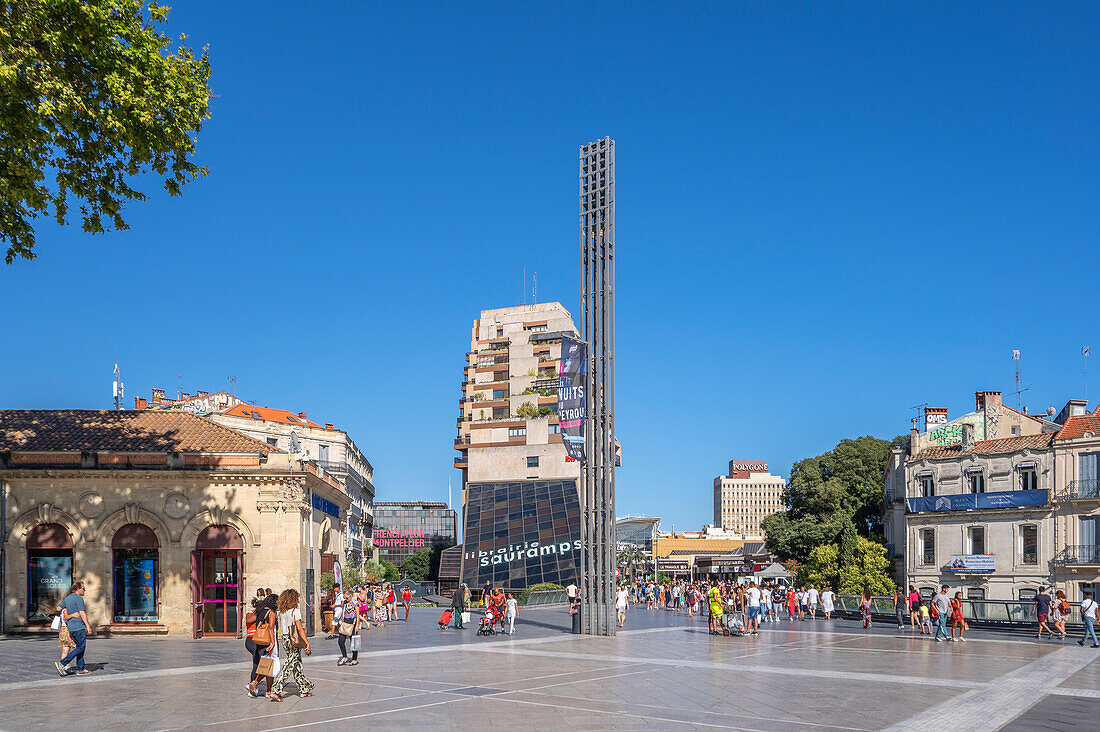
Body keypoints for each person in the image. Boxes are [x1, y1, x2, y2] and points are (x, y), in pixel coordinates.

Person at [270, 589, 313, 702]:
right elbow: (299, 628)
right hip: (293, 639)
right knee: (289, 665)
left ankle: (304, 690)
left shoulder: (282, 612)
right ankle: (276, 689)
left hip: (285, 639)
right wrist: (307, 643)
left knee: (297, 664)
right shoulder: (295, 611)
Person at [246, 593, 278, 698]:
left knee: (266, 666)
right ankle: (254, 683)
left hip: (259, 641)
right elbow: (270, 628)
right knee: (268, 666)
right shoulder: (271, 612)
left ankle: (268, 691)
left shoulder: (261, 611)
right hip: (267, 641)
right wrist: (272, 642)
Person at [55, 581, 90, 677]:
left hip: (71, 627)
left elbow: (58, 608)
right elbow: (82, 613)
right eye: (83, 589)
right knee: (80, 647)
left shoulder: (67, 598)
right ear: (78, 589)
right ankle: (63, 663)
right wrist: (88, 625)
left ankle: (80, 668)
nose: (84, 591)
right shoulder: (78, 598)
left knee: (80, 647)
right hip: (79, 626)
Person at [336, 591, 361, 666]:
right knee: (340, 641)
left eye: (346, 597)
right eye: (344, 597)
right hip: (345, 623)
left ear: (351, 595)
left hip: (352, 624)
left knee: (353, 642)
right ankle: (344, 657)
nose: (345, 599)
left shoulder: (355, 603)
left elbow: (357, 615)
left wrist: (357, 625)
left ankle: (354, 659)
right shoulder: (345, 604)